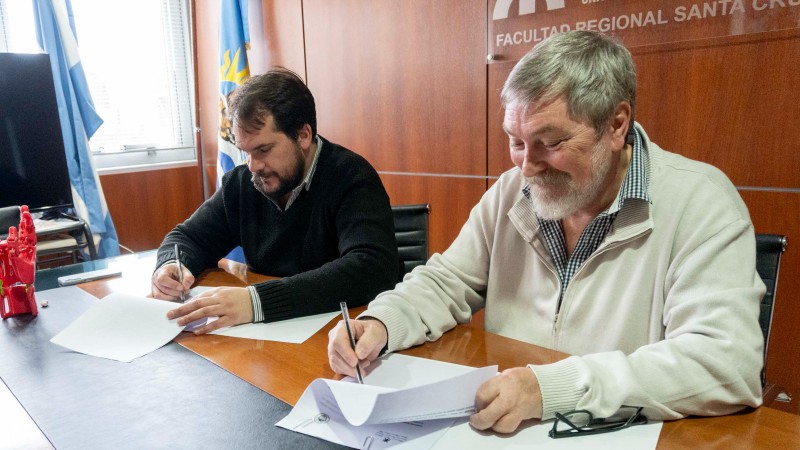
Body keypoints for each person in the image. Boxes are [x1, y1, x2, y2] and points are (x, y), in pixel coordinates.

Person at [328, 30, 764, 434]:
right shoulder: (511, 191)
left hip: (624, 434)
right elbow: (447, 281)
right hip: (507, 429)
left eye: (550, 143)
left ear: (616, 125)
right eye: (516, 141)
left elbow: (726, 363)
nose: (526, 166)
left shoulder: (701, 203)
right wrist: (382, 322)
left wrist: (551, 390)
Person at [151, 68, 398, 333]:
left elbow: (372, 269)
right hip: (268, 337)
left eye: (263, 150)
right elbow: (188, 238)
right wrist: (171, 266)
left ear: (303, 135)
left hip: (342, 335)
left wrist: (257, 302)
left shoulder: (351, 176)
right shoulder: (242, 182)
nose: (253, 166)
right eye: (245, 151)